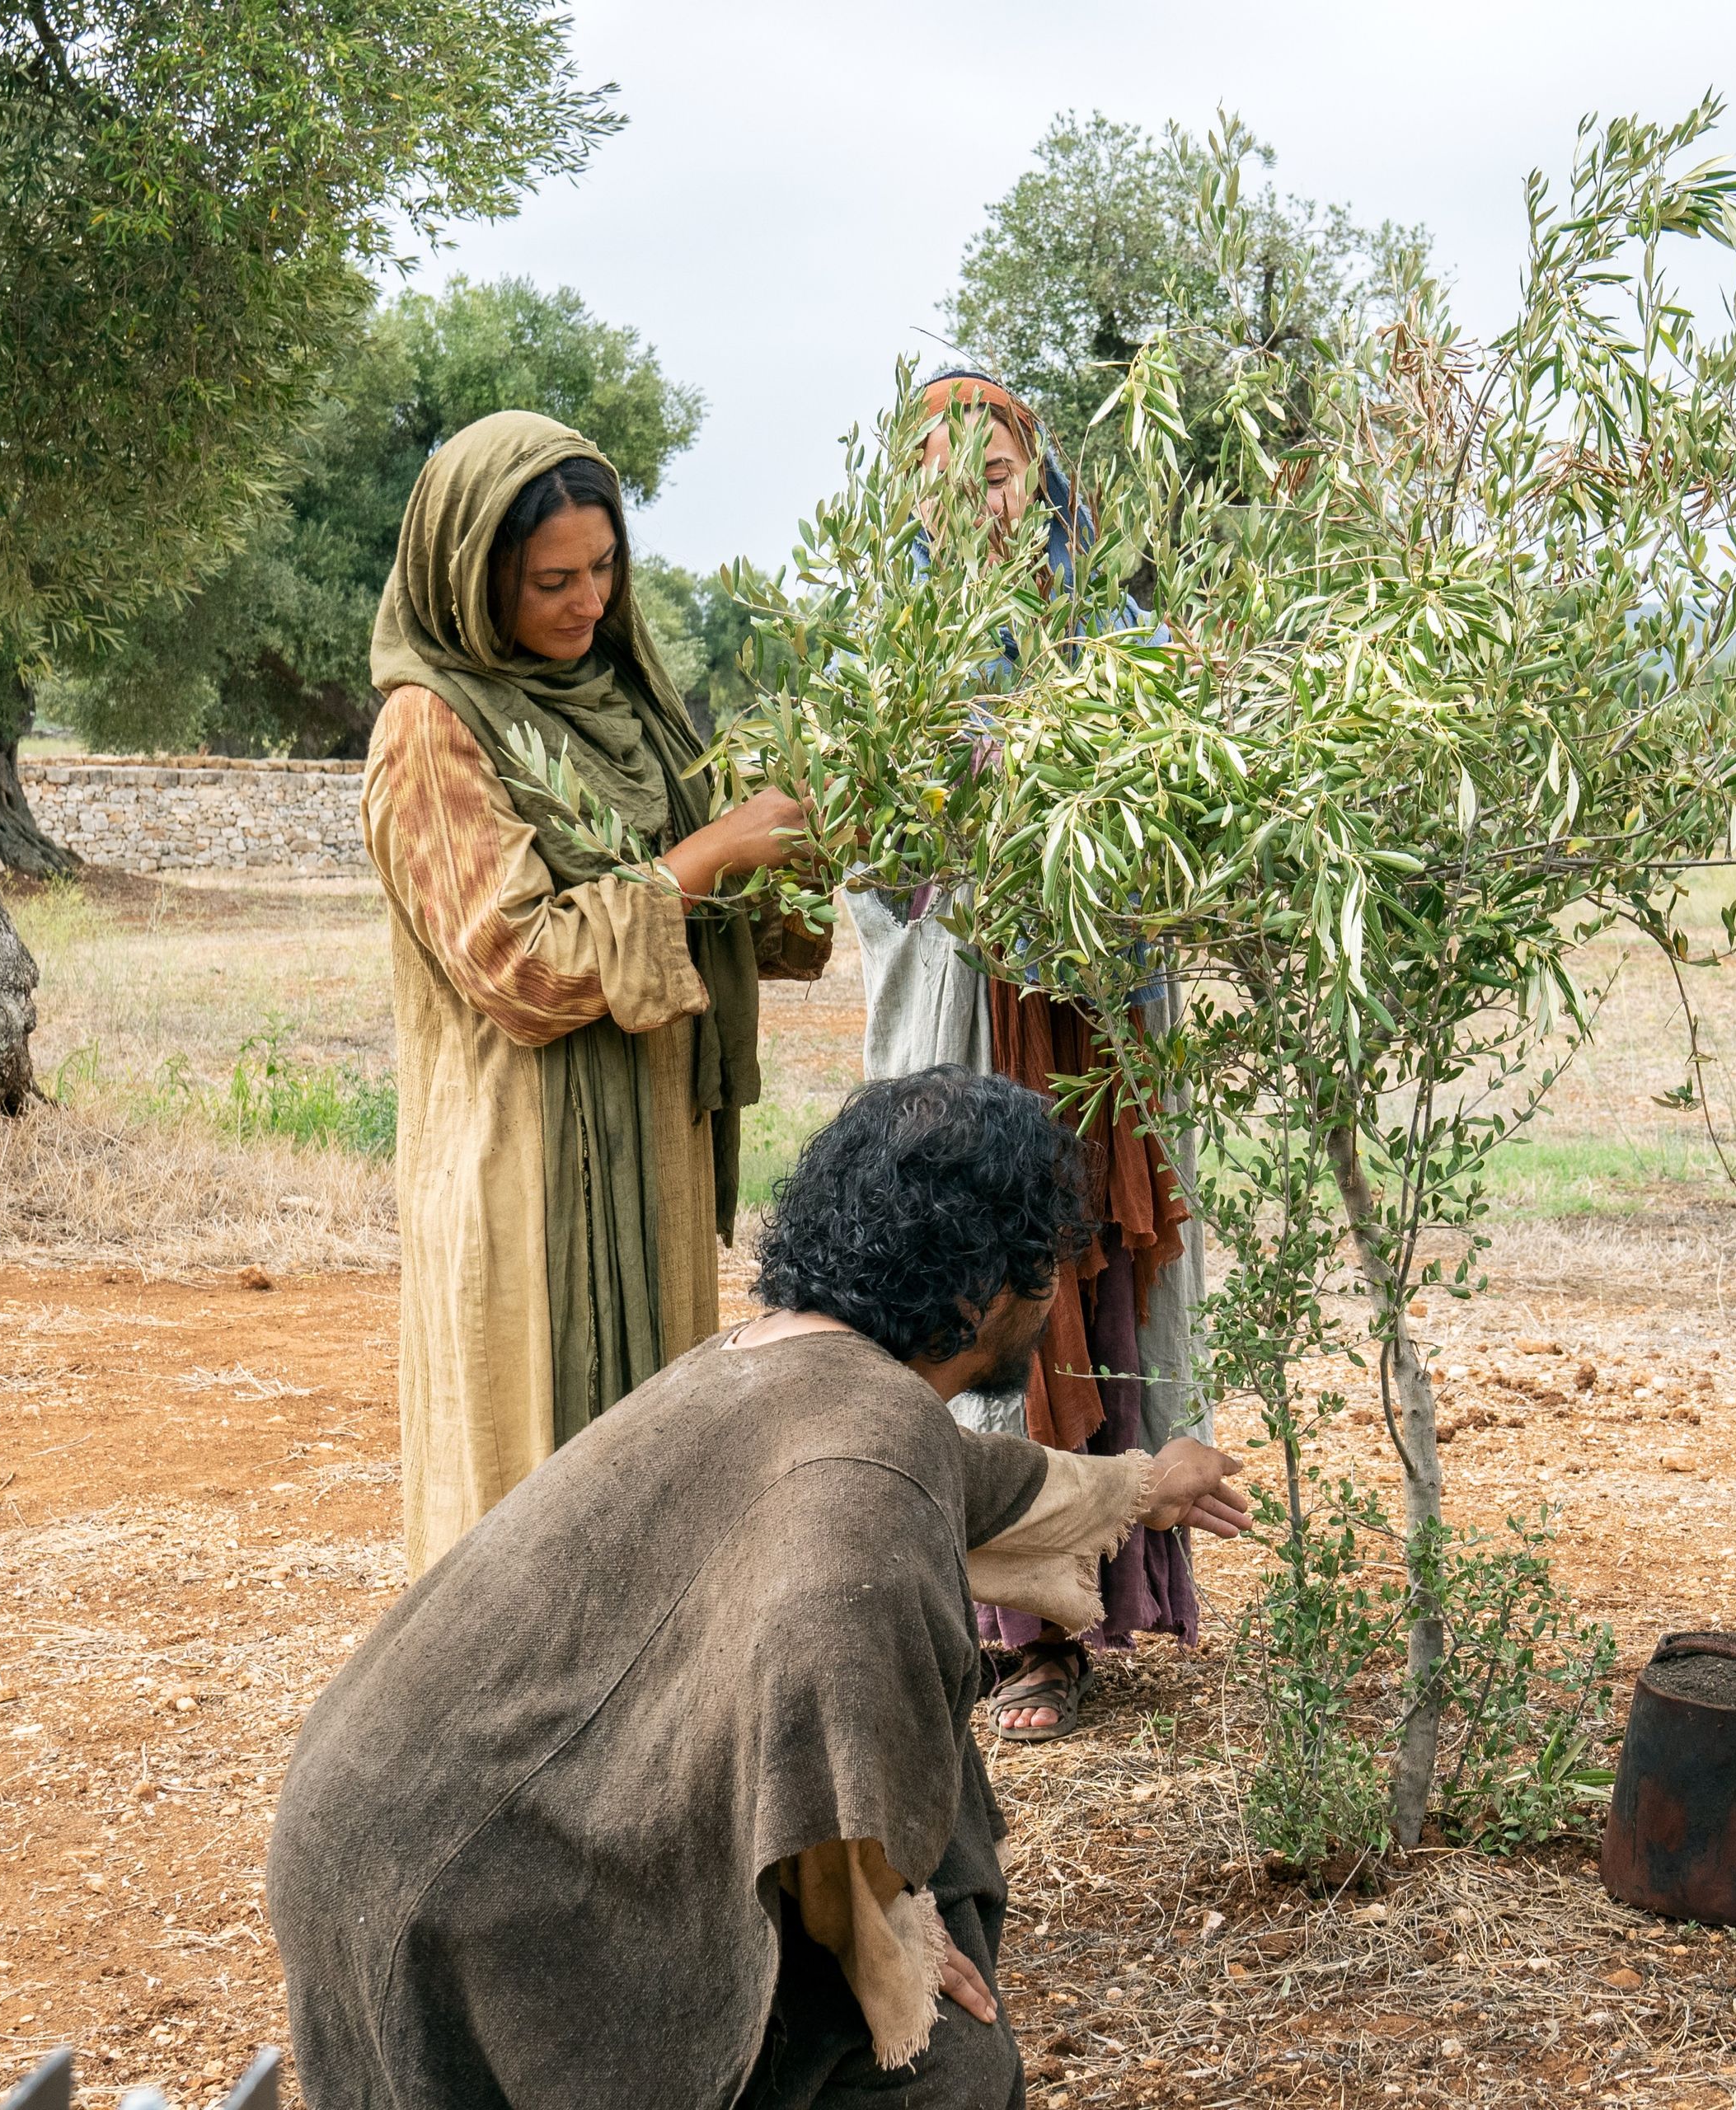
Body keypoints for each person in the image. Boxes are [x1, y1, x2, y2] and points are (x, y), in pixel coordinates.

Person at [267, 1067, 1250, 2110]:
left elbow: (964, 1481)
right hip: (479, 1897)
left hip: (360, 1829)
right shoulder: (868, 1459)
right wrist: (886, 1938)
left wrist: (1147, 1485)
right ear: (979, 1293)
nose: (1054, 1298)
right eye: (1044, 1273)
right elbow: (824, 1669)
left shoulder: (777, 1363)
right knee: (943, 2070)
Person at [363, 410, 820, 1575]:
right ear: (469, 581)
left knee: (652, 1472)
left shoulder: (633, 703)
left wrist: (803, 839)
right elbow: (517, 964)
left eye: (605, 569)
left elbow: (723, 926)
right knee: (531, 1488)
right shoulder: (431, 726)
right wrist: (706, 856)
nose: (588, 604)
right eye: (550, 581)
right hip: (525, 1177)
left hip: (651, 1158)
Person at [844, 369, 1207, 1744]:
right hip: (968, 1021)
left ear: (1038, 482)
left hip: (1081, 1027)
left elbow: (1170, 802)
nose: (973, 502)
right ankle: (976, 1625)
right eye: (941, 480)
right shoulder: (888, 648)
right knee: (967, 1301)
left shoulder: (1108, 627)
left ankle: (1068, 1629)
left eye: (993, 475)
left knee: (1078, 1291)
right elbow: (866, 842)